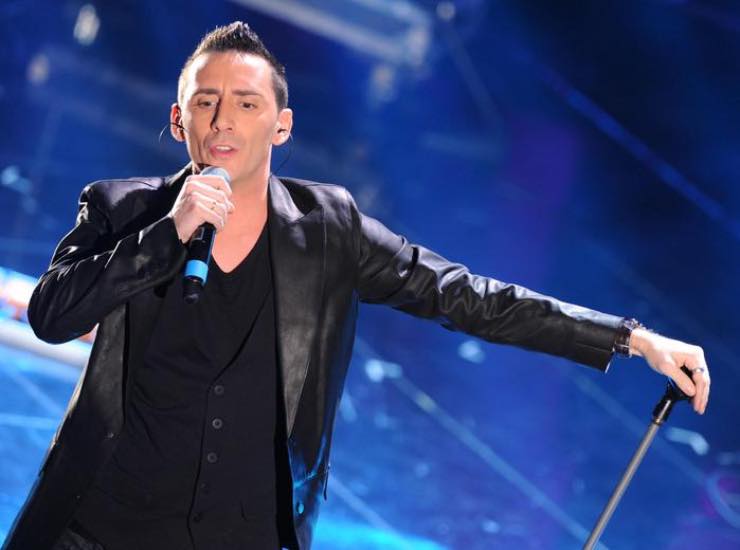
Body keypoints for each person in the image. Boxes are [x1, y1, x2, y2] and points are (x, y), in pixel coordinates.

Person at [3, 21, 710, 550]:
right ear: (177, 118)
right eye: (206, 102)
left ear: (281, 126)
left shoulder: (329, 230)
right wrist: (167, 236)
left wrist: (630, 338)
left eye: (246, 104)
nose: (223, 121)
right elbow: (51, 315)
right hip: (101, 530)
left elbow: (465, 295)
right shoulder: (123, 209)